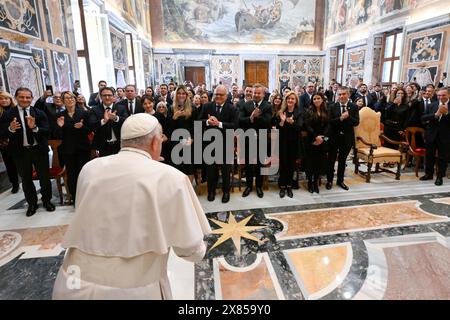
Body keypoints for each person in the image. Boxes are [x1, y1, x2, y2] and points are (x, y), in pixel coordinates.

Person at [52, 113, 211, 300]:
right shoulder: (171, 178)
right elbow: (191, 250)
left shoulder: (90, 169)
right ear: (154, 143)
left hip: (73, 284)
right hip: (132, 291)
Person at [0, 87, 55, 216]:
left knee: (44, 178)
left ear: (31, 98)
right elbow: (2, 133)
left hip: (39, 150)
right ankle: (32, 204)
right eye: (22, 97)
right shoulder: (8, 115)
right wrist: (11, 129)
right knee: (26, 179)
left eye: (28, 97)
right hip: (20, 152)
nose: (25, 99)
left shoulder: (39, 113)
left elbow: (47, 131)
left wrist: (35, 127)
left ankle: (47, 201)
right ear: (16, 98)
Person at [200, 85, 238, 203]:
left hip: (226, 143)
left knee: (226, 169)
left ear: (226, 96)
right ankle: (211, 191)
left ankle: (226, 192)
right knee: (211, 169)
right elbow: (197, 122)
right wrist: (207, 121)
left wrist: (219, 124)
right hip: (210, 143)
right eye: (216, 94)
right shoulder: (207, 106)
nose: (218, 97)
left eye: (221, 95)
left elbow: (235, 125)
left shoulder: (232, 108)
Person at [55, 91, 91, 203]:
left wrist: (82, 127)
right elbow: (56, 135)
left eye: (71, 97)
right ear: (63, 101)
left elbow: (90, 130)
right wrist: (60, 127)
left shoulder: (84, 113)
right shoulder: (59, 116)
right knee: (72, 174)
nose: (70, 100)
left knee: (84, 173)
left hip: (83, 148)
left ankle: (87, 198)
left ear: (75, 99)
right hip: (68, 149)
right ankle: (75, 198)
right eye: (66, 98)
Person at [239, 84, 272, 198]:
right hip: (248, 139)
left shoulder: (267, 106)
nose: (256, 95)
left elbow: (268, 122)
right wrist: (250, 118)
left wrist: (257, 116)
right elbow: (240, 120)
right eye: (254, 93)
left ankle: (259, 186)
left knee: (259, 164)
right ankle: (248, 186)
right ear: (251, 93)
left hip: (262, 139)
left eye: (259, 93)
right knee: (248, 164)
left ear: (263, 94)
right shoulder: (246, 105)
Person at [326, 87, 359, 191]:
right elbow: (330, 121)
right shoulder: (332, 106)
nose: (341, 96)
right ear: (337, 96)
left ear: (348, 95)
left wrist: (348, 117)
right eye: (339, 94)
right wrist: (340, 118)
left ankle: (340, 181)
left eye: (344, 94)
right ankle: (329, 180)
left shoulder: (353, 107)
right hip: (334, 137)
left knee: (342, 160)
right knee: (331, 161)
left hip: (347, 138)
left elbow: (356, 122)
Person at [420, 88, 450, 186]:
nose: (441, 97)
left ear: (448, 95)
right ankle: (428, 174)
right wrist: (435, 115)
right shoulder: (431, 105)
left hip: (445, 136)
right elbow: (423, 118)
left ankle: (440, 177)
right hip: (431, 135)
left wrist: (447, 114)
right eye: (439, 95)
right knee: (429, 155)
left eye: (443, 95)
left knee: (442, 157)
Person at [274, 91, 302, 198]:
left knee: (291, 165)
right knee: (283, 165)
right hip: (283, 142)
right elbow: (277, 127)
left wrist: (291, 122)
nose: (290, 100)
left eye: (292, 99)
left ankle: (289, 186)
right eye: (288, 98)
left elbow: (299, 127)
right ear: (286, 100)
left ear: (296, 101)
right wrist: (282, 121)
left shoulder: (299, 112)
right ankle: (282, 186)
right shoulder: (281, 112)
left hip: (294, 142)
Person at [88, 87, 128, 157]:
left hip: (119, 144)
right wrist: (104, 121)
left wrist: (116, 118)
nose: (107, 97)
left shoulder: (121, 108)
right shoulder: (94, 110)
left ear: (113, 96)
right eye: (104, 95)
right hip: (103, 146)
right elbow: (91, 125)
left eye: (109, 95)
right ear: (101, 97)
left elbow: (126, 122)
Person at [167, 85, 195, 181]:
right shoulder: (171, 108)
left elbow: (195, 127)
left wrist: (192, 139)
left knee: (189, 167)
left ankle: (189, 191)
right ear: (176, 95)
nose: (181, 95)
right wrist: (174, 117)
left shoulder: (192, 108)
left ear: (186, 95)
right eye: (179, 93)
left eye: (183, 93)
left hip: (188, 141)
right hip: (176, 141)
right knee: (177, 167)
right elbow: (168, 130)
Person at [303, 93, 330, 194]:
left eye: (318, 98)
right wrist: (316, 137)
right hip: (311, 139)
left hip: (324, 139)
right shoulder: (308, 111)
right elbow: (307, 125)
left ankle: (315, 182)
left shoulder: (327, 110)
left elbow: (329, 125)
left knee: (320, 161)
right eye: (314, 99)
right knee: (310, 162)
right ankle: (310, 182)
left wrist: (322, 138)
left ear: (322, 99)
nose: (316, 100)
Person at [0, 91, 19, 193]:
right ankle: (15, 183)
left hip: (17, 140)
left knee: (20, 162)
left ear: (10, 99)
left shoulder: (16, 110)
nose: (4, 100)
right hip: (4, 143)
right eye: (1, 99)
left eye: (6, 98)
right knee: (9, 164)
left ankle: (26, 181)